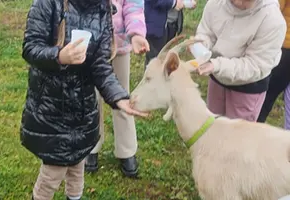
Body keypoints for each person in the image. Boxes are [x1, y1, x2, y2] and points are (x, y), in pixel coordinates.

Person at [20, 0, 147, 199]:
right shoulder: (47, 4)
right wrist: (59, 56)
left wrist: (119, 97)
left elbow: (100, 66)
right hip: (51, 106)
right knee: (53, 172)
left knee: (77, 166)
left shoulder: (102, 8)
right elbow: (30, 47)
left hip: (83, 108)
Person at [85, 0, 149, 178]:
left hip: (119, 45)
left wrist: (136, 34)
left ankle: (127, 150)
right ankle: (91, 147)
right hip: (90, 44)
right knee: (90, 97)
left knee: (122, 96)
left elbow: (134, 6)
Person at [193, 0, 286, 122]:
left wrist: (217, 66)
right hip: (217, 77)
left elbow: (255, 65)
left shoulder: (272, 20)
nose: (237, 2)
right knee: (213, 126)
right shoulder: (216, 3)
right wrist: (201, 44)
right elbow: (207, 32)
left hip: (247, 86)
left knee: (236, 137)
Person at [257, 0, 290, 129]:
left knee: (265, 95)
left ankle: (253, 126)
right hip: (283, 45)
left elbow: (273, 12)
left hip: (282, 46)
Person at [144, 0, 184, 68]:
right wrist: (174, 3)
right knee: (154, 59)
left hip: (160, 25)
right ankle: (151, 76)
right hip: (153, 27)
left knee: (160, 56)